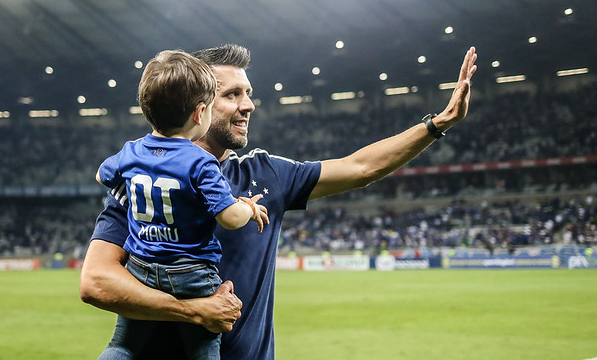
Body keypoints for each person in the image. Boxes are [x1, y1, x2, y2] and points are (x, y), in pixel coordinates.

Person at [80, 43, 478, 359]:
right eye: (232, 94)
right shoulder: (146, 183)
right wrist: (193, 311)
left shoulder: (268, 173)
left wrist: (435, 124)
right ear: (198, 106)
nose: (248, 105)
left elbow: (360, 168)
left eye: (249, 94)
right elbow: (96, 283)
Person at [95, 49, 269, 359]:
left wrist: (132, 192)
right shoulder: (201, 162)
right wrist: (250, 208)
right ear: (200, 113)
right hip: (192, 272)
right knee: (203, 348)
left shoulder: (131, 152)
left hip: (141, 268)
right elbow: (229, 217)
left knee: (123, 345)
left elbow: (102, 176)